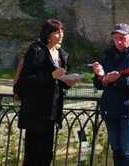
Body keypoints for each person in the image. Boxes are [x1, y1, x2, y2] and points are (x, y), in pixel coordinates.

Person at [14, 19, 78, 166]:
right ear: (48, 34)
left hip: (52, 111)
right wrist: (51, 76)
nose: (61, 34)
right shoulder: (36, 50)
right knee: (33, 154)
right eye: (57, 31)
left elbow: (57, 81)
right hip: (35, 110)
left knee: (46, 155)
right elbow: (25, 80)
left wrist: (67, 81)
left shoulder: (61, 54)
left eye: (62, 31)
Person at [91, 23, 129, 166]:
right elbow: (98, 84)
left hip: (128, 110)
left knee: (128, 151)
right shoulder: (107, 55)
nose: (118, 41)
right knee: (116, 149)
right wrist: (99, 76)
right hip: (110, 109)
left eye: (122, 38)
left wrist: (118, 80)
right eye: (116, 38)